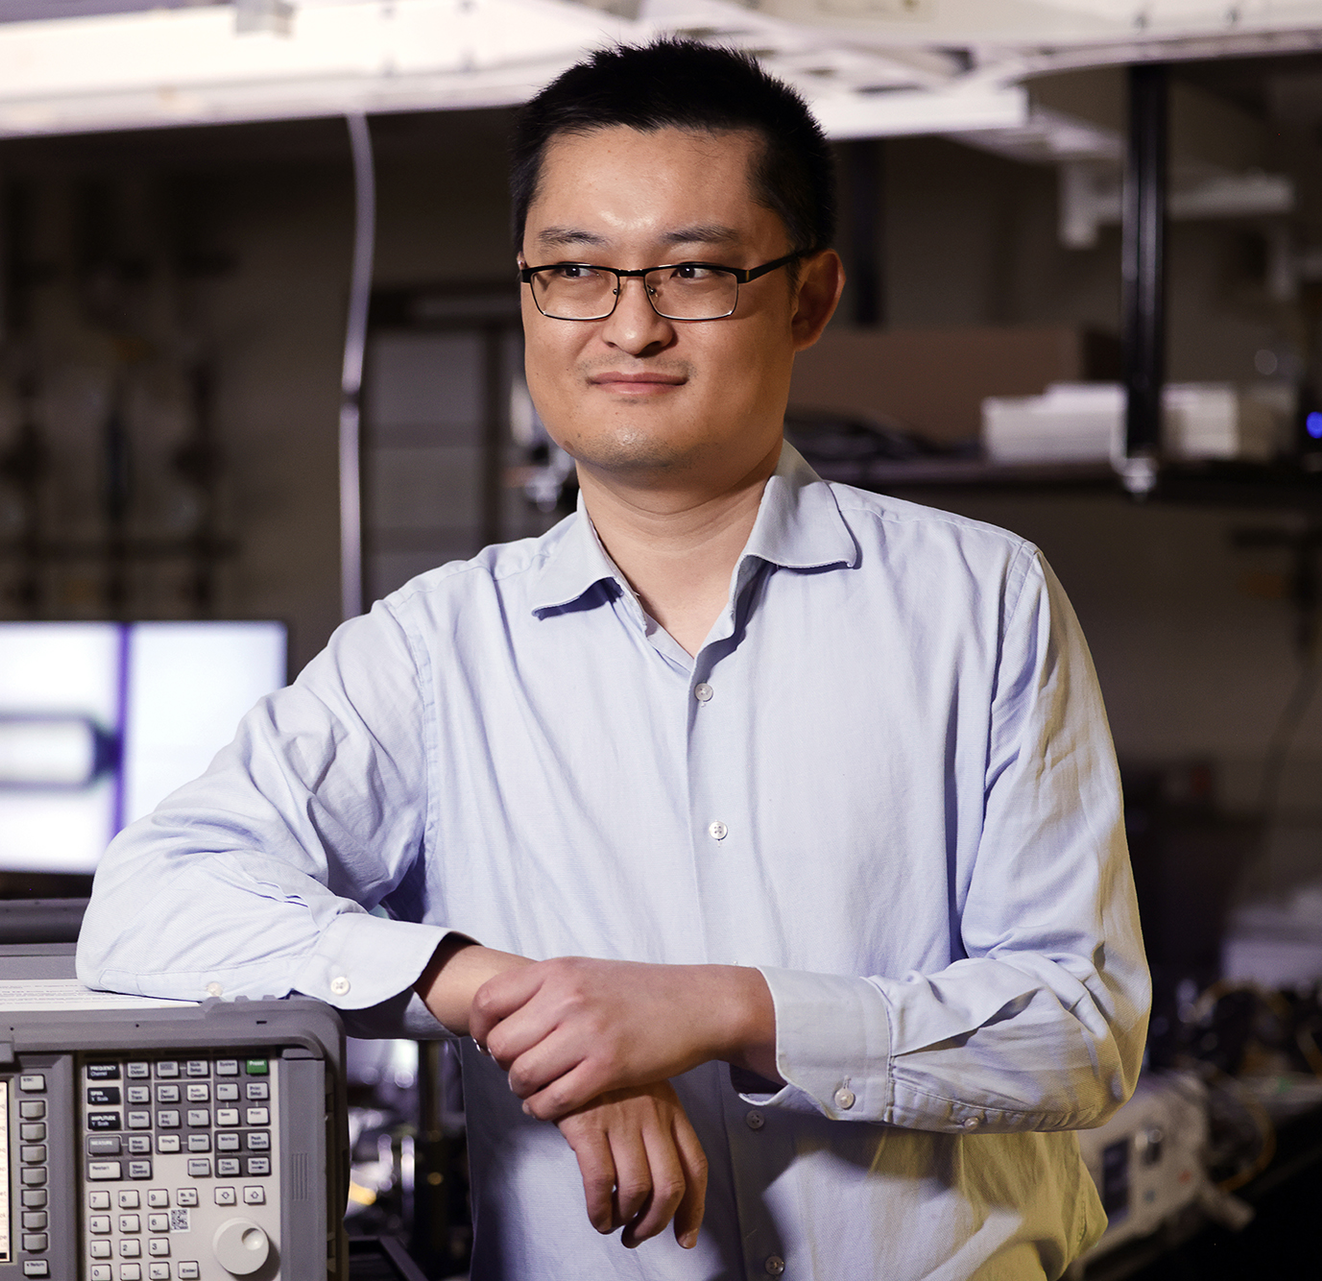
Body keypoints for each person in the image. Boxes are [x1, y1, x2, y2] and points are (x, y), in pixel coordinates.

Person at [79, 38, 1149, 1281]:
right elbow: (154, 900)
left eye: (695, 270)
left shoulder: (983, 602)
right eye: (575, 270)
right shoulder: (439, 647)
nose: (629, 325)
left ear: (808, 298)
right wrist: (500, 997)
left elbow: (1082, 1029)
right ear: (531, 292)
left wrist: (734, 1010)